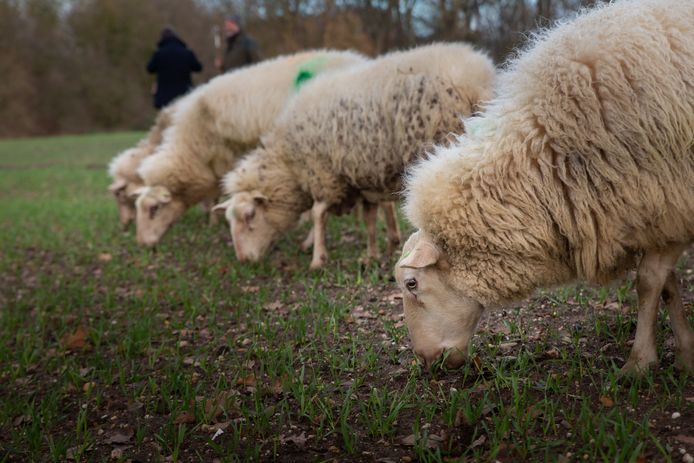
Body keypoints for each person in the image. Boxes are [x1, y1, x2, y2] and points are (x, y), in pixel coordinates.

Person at [147, 28, 202, 109]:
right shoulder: (187, 52)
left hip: (164, 97)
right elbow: (198, 68)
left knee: (167, 119)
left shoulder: (159, 54)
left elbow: (149, 69)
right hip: (184, 95)